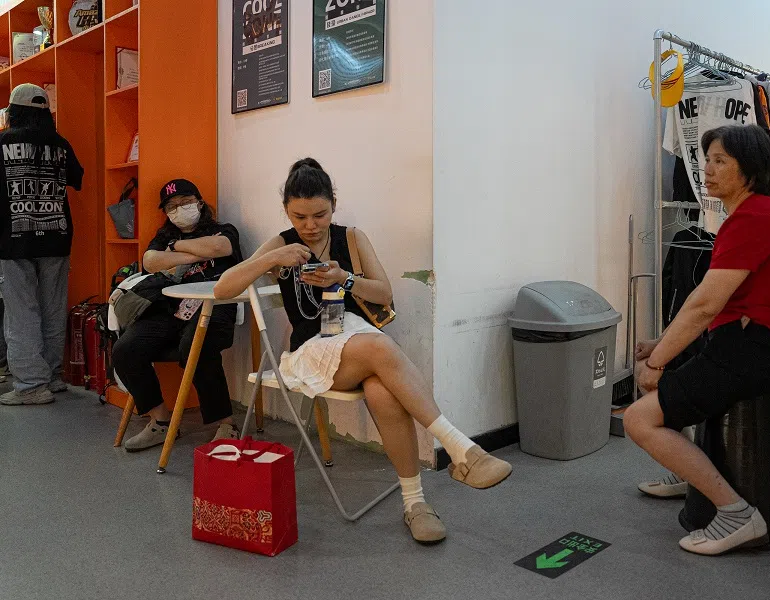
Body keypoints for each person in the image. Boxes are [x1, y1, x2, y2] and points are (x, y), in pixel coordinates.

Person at [215, 158, 513, 544]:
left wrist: (344, 278)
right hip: (311, 352)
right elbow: (223, 289)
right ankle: (462, 450)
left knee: (381, 390)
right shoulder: (281, 245)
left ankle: (415, 504)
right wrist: (271, 259)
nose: (310, 225)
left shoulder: (352, 238)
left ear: (333, 204)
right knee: (377, 346)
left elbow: (384, 294)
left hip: (358, 344)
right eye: (299, 216)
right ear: (287, 211)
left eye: (319, 214)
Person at [624, 125, 770, 556]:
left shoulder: (753, 219)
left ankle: (738, 513)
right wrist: (662, 342)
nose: (707, 169)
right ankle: (690, 472)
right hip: (749, 342)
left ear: (751, 170)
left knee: (637, 419)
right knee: (683, 370)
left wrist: (658, 362)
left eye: (721, 160)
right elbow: (714, 309)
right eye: (708, 159)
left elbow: (704, 305)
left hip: (762, 349)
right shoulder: (750, 216)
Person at [112, 179, 243, 451]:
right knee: (126, 348)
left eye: (185, 202)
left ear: (199, 201)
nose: (179, 209)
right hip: (170, 306)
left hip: (215, 304)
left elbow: (221, 248)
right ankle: (160, 421)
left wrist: (174, 251)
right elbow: (150, 261)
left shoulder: (223, 230)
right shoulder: (164, 237)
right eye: (171, 206)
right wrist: (193, 251)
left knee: (197, 345)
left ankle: (226, 424)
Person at [0, 84, 84, 405]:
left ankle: (31, 385)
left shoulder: (3, 142)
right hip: (57, 236)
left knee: (21, 312)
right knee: (52, 308)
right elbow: (77, 178)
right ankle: (52, 376)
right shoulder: (60, 145)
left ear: (13, 112)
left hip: (14, 240)